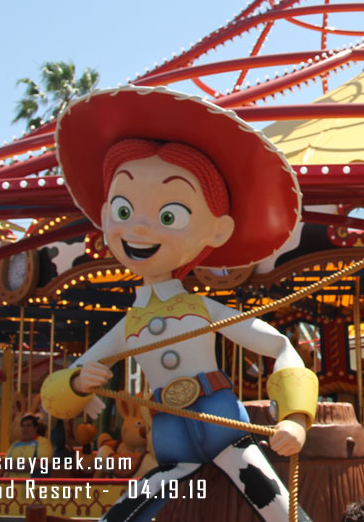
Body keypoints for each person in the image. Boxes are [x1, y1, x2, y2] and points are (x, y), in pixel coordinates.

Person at [41, 86, 317, 522]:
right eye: (123, 209)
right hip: (169, 444)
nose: (141, 228)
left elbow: (281, 347)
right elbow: (57, 395)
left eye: (170, 216)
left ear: (218, 230)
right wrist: (76, 385)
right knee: (123, 515)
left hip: (224, 430)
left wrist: (296, 418)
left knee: (281, 511)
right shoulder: (129, 325)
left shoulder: (202, 309)